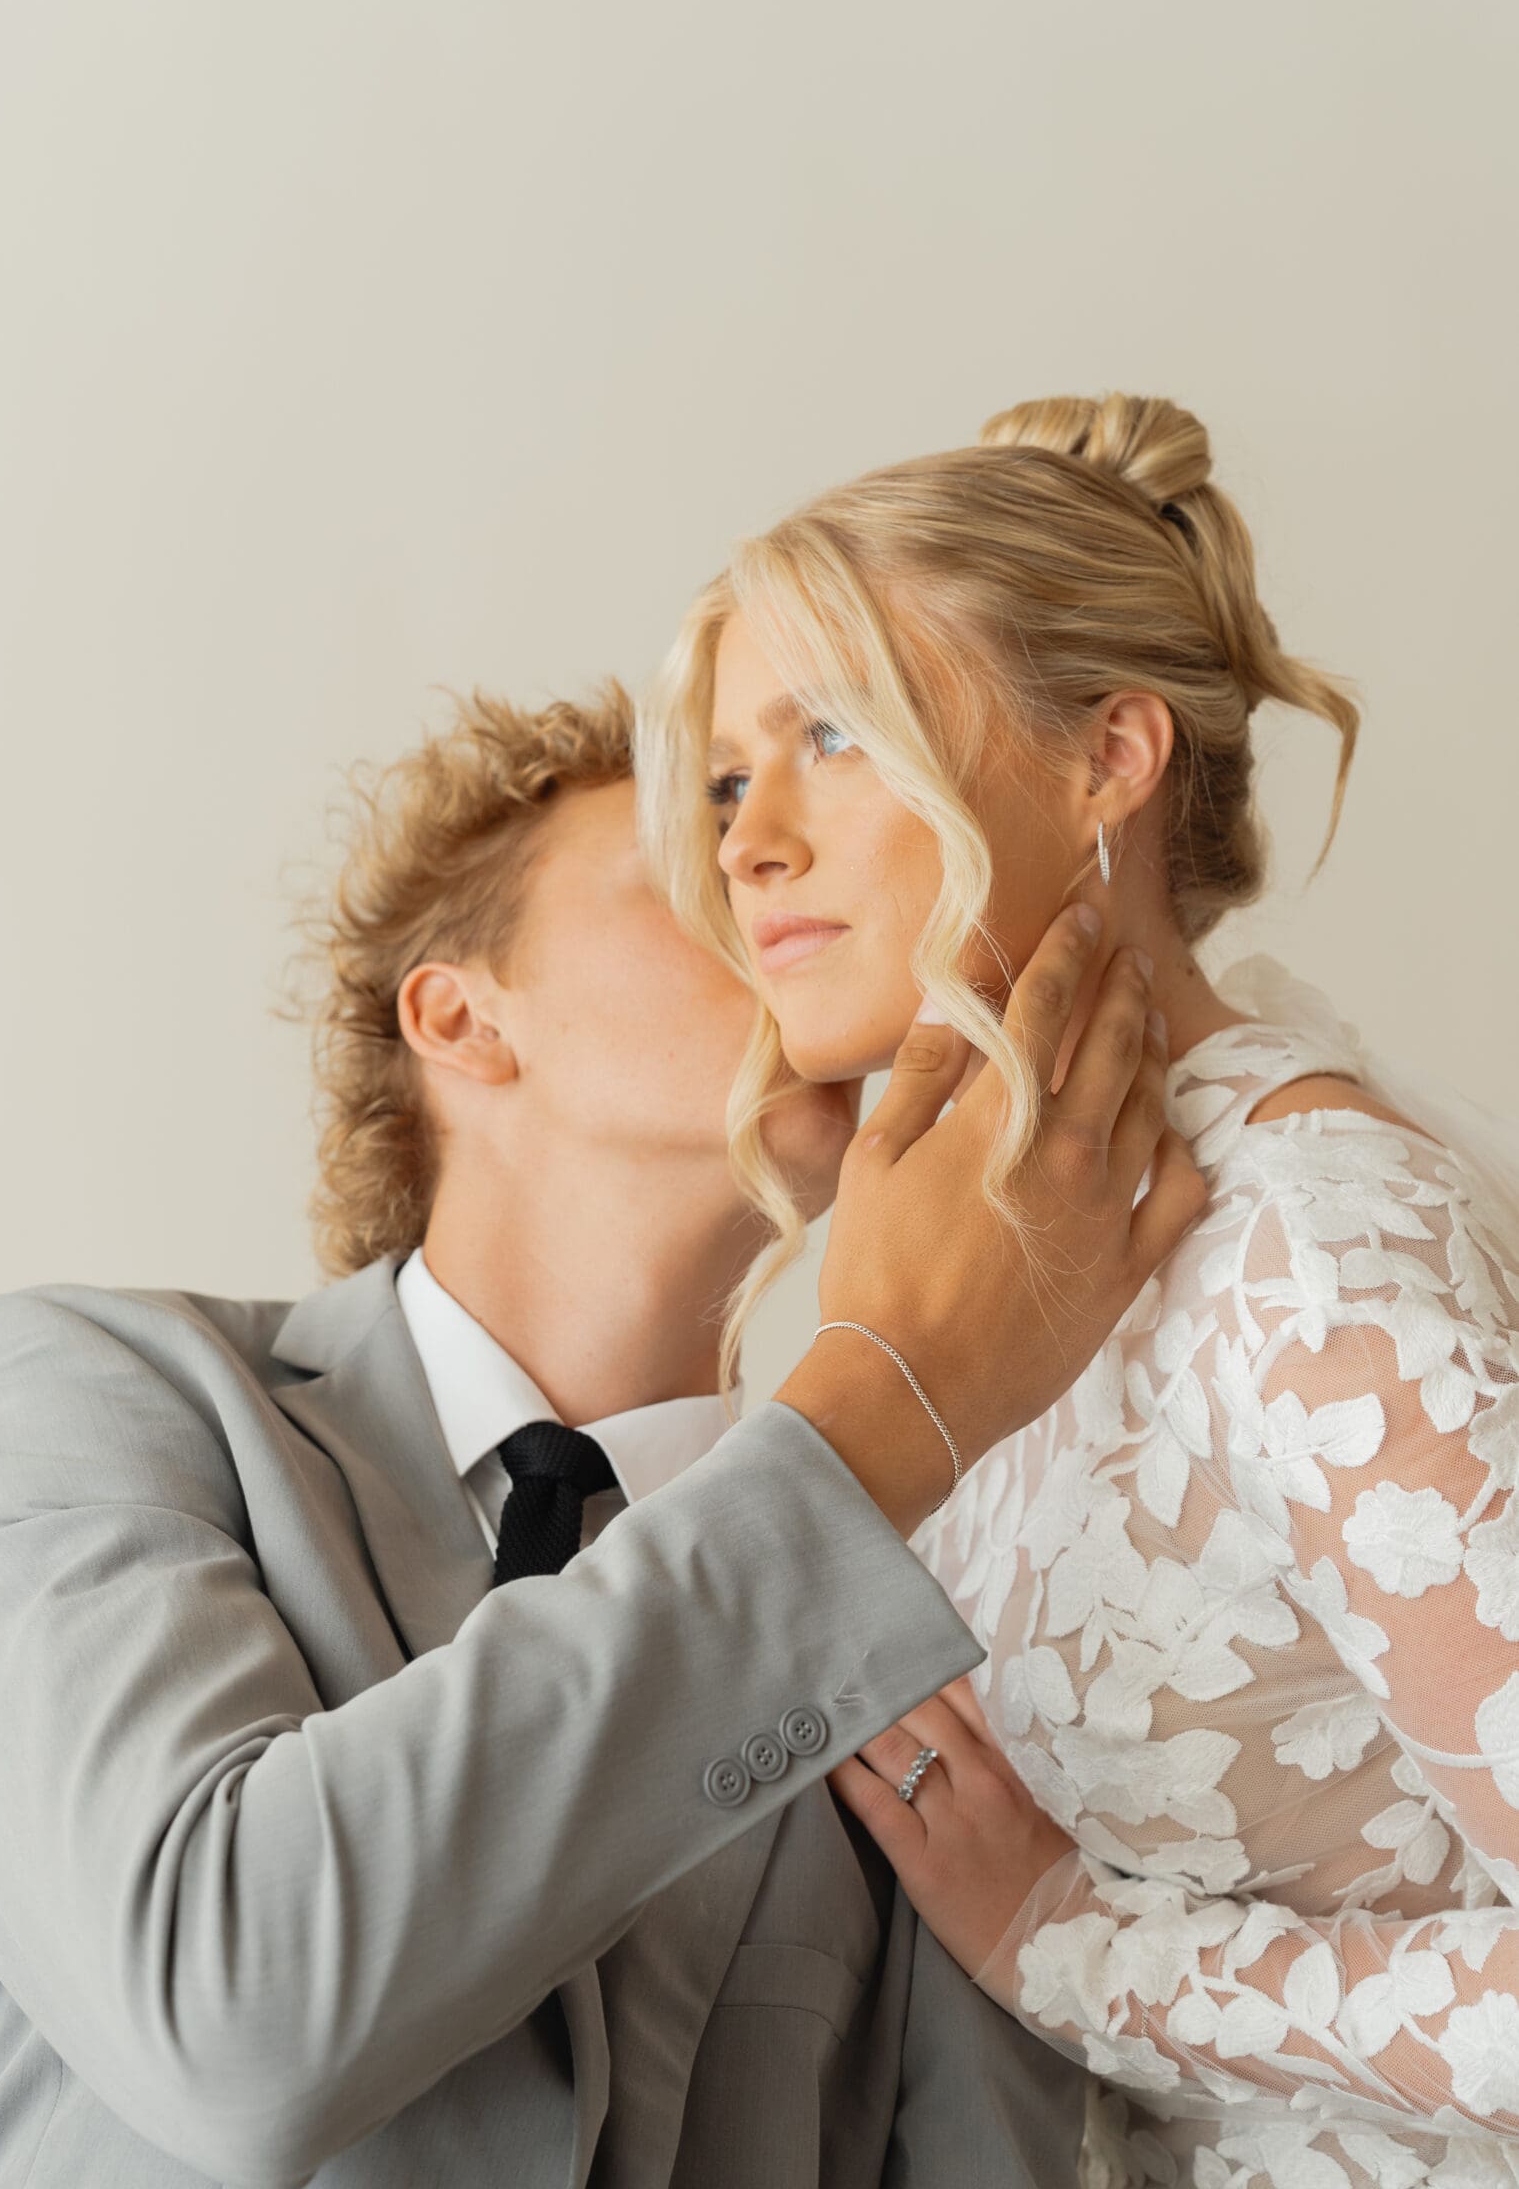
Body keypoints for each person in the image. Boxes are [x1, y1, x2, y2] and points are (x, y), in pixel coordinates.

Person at [0, 677, 1203, 2189]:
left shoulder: (910, 1629)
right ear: (461, 1015)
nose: (783, 887)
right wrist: (872, 1419)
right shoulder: (79, 1398)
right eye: (692, 869)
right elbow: (231, 2013)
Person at [633, 387, 1519, 2189]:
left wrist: (1070, 1941)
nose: (748, 845)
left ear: (1110, 756)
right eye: (733, 774)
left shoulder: (1312, 1254)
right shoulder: (967, 1251)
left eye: (838, 737)